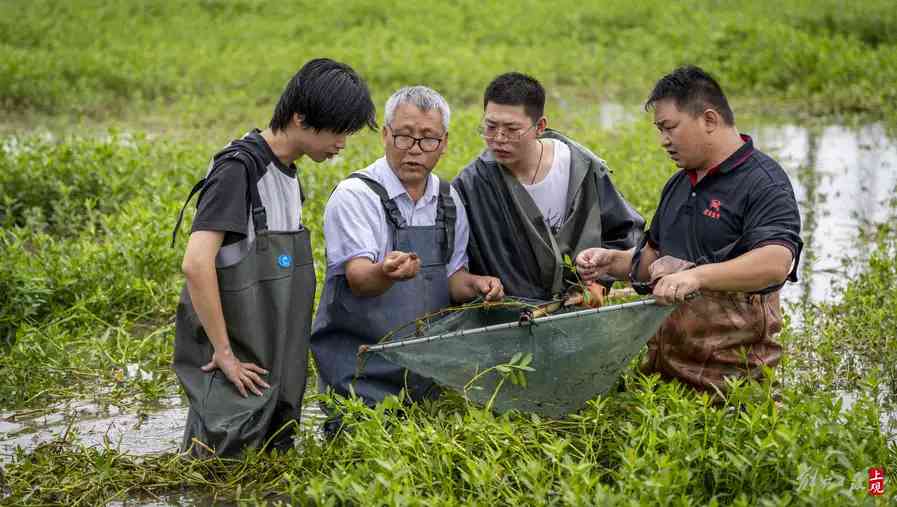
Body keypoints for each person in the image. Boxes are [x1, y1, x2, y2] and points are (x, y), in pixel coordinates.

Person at [171, 58, 377, 457]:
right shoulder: (239, 169)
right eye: (337, 131)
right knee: (219, 470)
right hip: (236, 366)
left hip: (271, 366)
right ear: (300, 117)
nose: (342, 144)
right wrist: (224, 354)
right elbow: (196, 264)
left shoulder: (288, 173)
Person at [576, 65, 803, 393]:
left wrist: (697, 276)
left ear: (709, 119)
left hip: (732, 386)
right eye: (659, 130)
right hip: (662, 383)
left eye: (669, 127)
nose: (663, 141)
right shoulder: (679, 184)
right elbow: (652, 259)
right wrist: (610, 262)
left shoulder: (762, 182)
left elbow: (775, 263)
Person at [311, 86, 504, 411]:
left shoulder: (448, 199)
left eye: (428, 139)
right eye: (403, 136)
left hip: (426, 376)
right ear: (385, 135)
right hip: (358, 377)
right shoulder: (356, 195)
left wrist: (477, 284)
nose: (414, 150)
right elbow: (359, 278)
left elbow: (451, 279)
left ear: (443, 144)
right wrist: (386, 271)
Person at [453, 72, 644, 301]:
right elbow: (455, 264)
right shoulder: (471, 186)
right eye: (490, 127)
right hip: (509, 319)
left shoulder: (580, 167)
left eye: (512, 130)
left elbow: (625, 231)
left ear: (540, 126)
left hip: (580, 313)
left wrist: (597, 285)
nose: (499, 138)